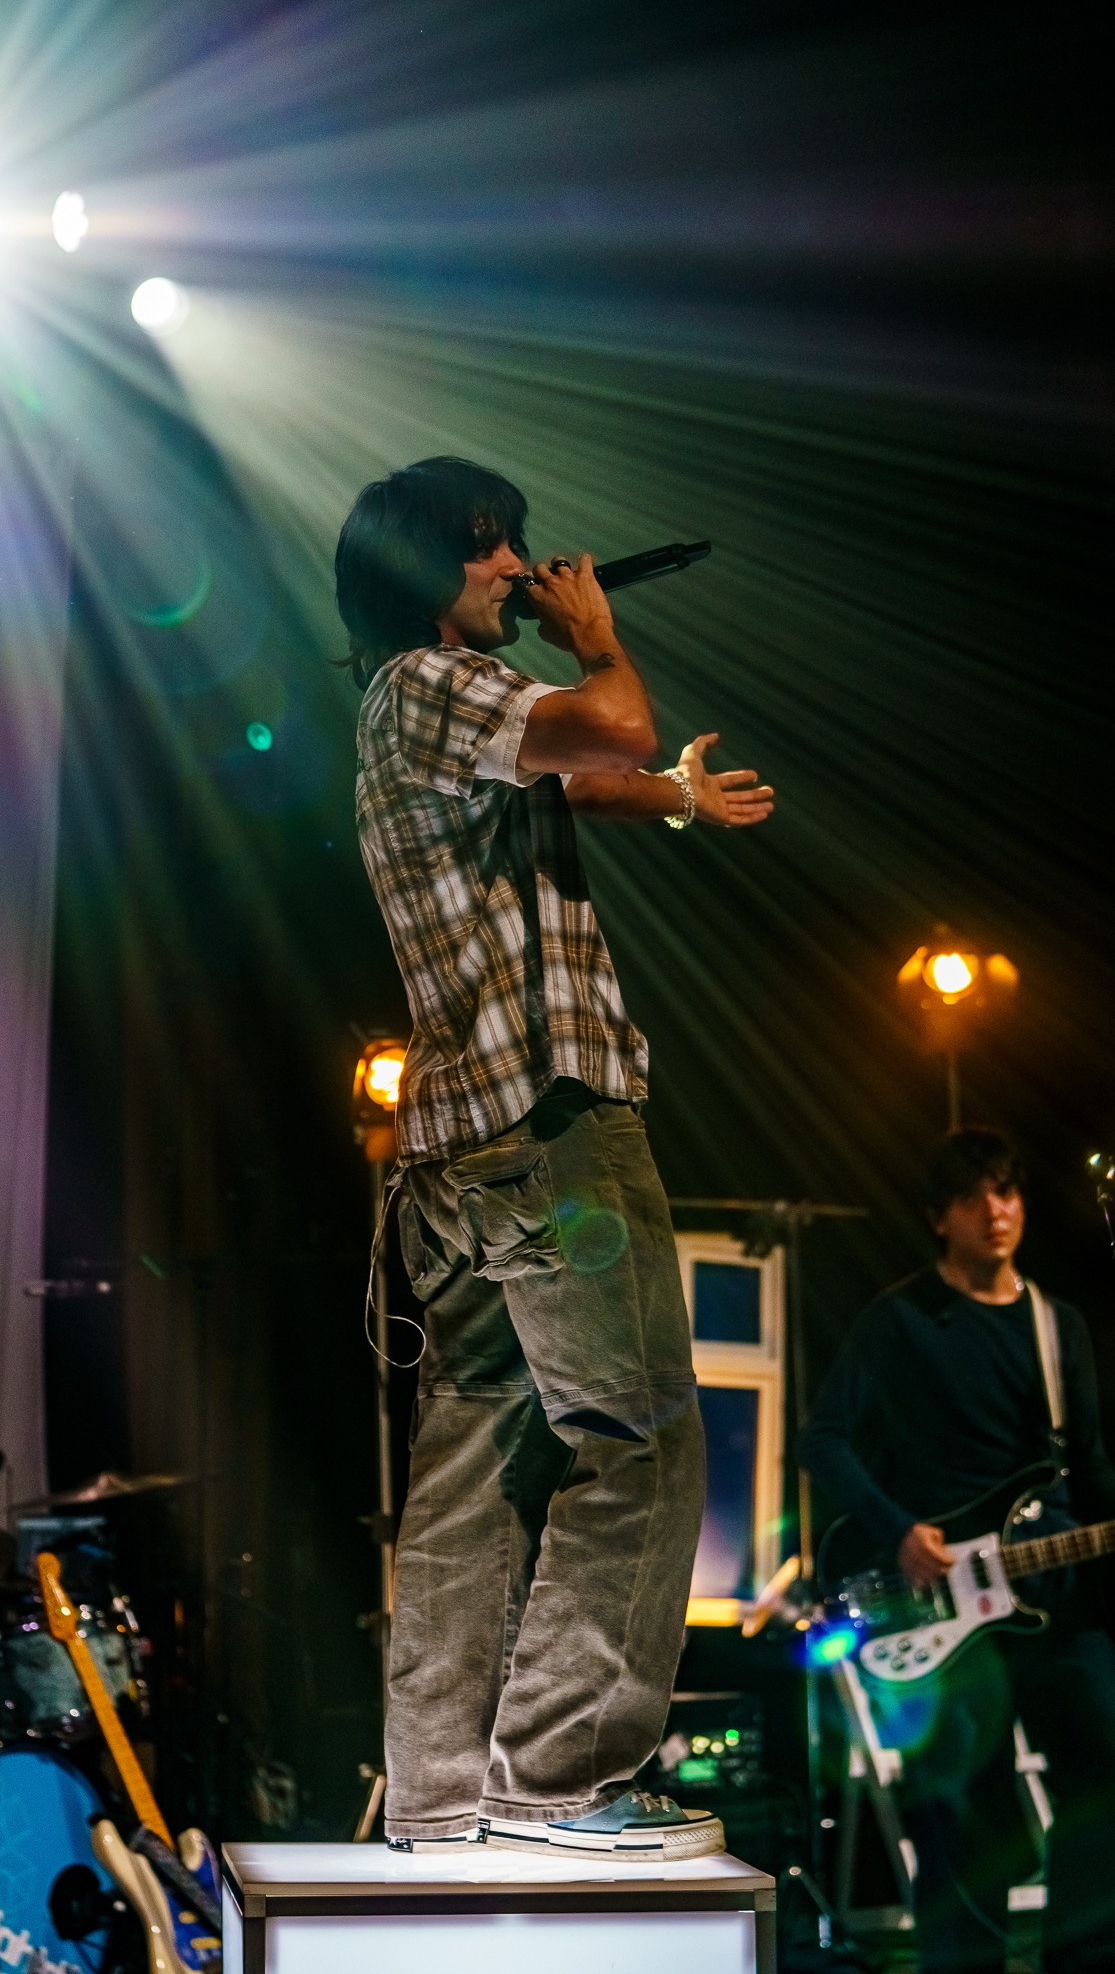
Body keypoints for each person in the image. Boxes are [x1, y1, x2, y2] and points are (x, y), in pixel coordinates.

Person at [338, 455, 774, 1857]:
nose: (513, 566)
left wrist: (676, 799)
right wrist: (595, 637)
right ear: (421, 565)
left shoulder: (416, 707)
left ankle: (442, 1798)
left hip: (466, 1157)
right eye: (485, 544)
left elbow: (587, 779)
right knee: (639, 1434)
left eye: (512, 542)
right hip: (546, 1123)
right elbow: (612, 722)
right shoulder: (430, 680)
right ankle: (560, 1776)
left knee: (476, 1474)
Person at [800, 1128, 1115, 1974]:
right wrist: (896, 1529)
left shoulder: (1055, 1325)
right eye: (973, 1197)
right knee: (965, 1805)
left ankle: (1083, 1955)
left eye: (1005, 1192)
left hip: (1050, 1597)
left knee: (1103, 1756)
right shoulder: (897, 1320)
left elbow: (1088, 1468)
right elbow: (822, 1440)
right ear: (939, 1217)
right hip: (945, 1607)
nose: (994, 1211)